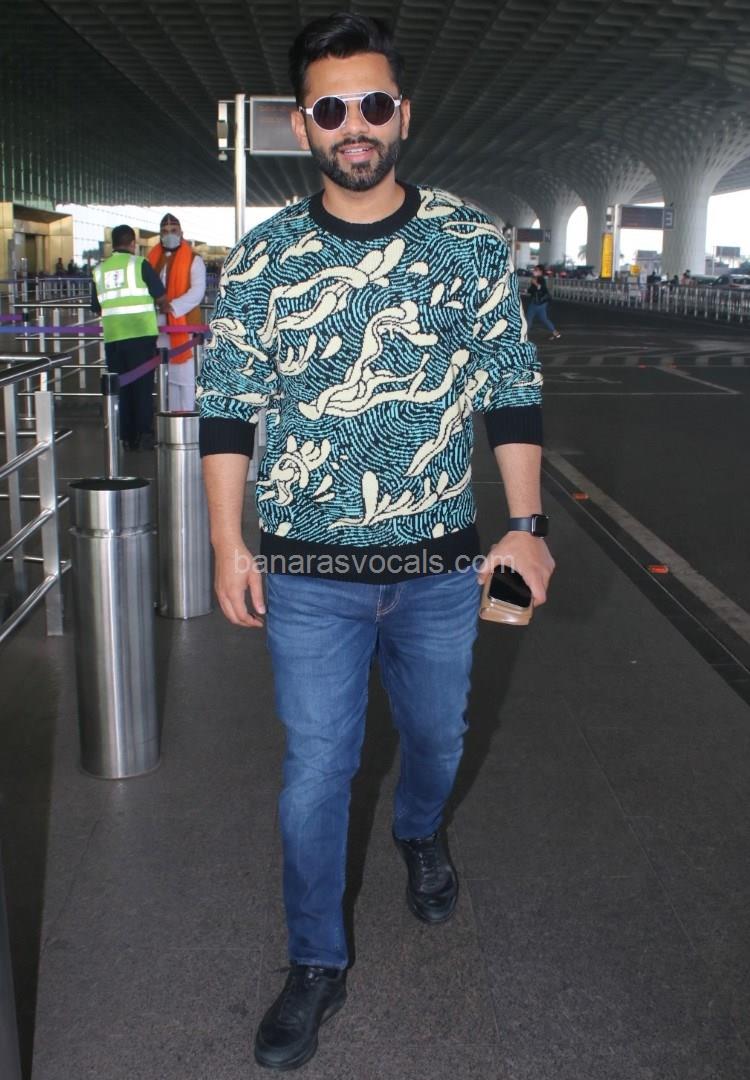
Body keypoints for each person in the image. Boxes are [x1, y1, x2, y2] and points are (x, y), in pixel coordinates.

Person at [197, 12, 554, 1072]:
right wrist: (226, 544)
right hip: (309, 574)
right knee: (317, 770)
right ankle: (316, 960)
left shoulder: (470, 241)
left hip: (442, 569)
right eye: (331, 108)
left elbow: (510, 388)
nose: (354, 124)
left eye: (373, 103)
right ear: (302, 125)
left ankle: (419, 831)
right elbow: (227, 412)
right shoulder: (264, 260)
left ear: (404, 115)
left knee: (438, 741)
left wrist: (526, 528)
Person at [91, 224, 166, 451]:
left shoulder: (99, 270)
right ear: (133, 244)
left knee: (121, 388)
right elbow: (160, 295)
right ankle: (143, 435)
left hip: (113, 338)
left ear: (113, 244)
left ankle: (125, 436)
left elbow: (96, 307)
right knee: (142, 388)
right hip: (141, 336)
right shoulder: (140, 264)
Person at [147, 214, 206, 410]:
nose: (169, 235)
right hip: (159, 326)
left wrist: (173, 306)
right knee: (167, 377)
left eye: (173, 231)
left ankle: (187, 418)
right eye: (165, 232)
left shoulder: (194, 259)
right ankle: (171, 419)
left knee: (186, 378)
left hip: (184, 325)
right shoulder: (152, 259)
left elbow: (197, 292)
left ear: (181, 233)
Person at [525, 265, 561, 339]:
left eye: (536, 270)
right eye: (534, 269)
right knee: (544, 319)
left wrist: (535, 283)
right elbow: (532, 290)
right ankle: (556, 333)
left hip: (536, 303)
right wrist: (526, 290)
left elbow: (542, 289)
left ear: (540, 272)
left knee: (529, 318)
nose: (534, 271)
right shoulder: (536, 278)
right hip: (542, 303)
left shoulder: (540, 279)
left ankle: (524, 335)